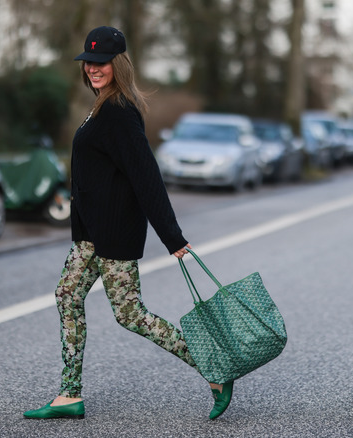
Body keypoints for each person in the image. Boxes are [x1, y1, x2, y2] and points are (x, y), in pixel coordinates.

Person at [23, 26, 233, 421]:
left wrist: (172, 236)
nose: (93, 69)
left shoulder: (119, 113)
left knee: (129, 313)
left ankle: (216, 370)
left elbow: (145, 176)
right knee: (67, 295)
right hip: (89, 233)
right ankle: (70, 395)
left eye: (101, 63)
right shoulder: (101, 105)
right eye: (89, 63)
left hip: (114, 232)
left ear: (118, 65)